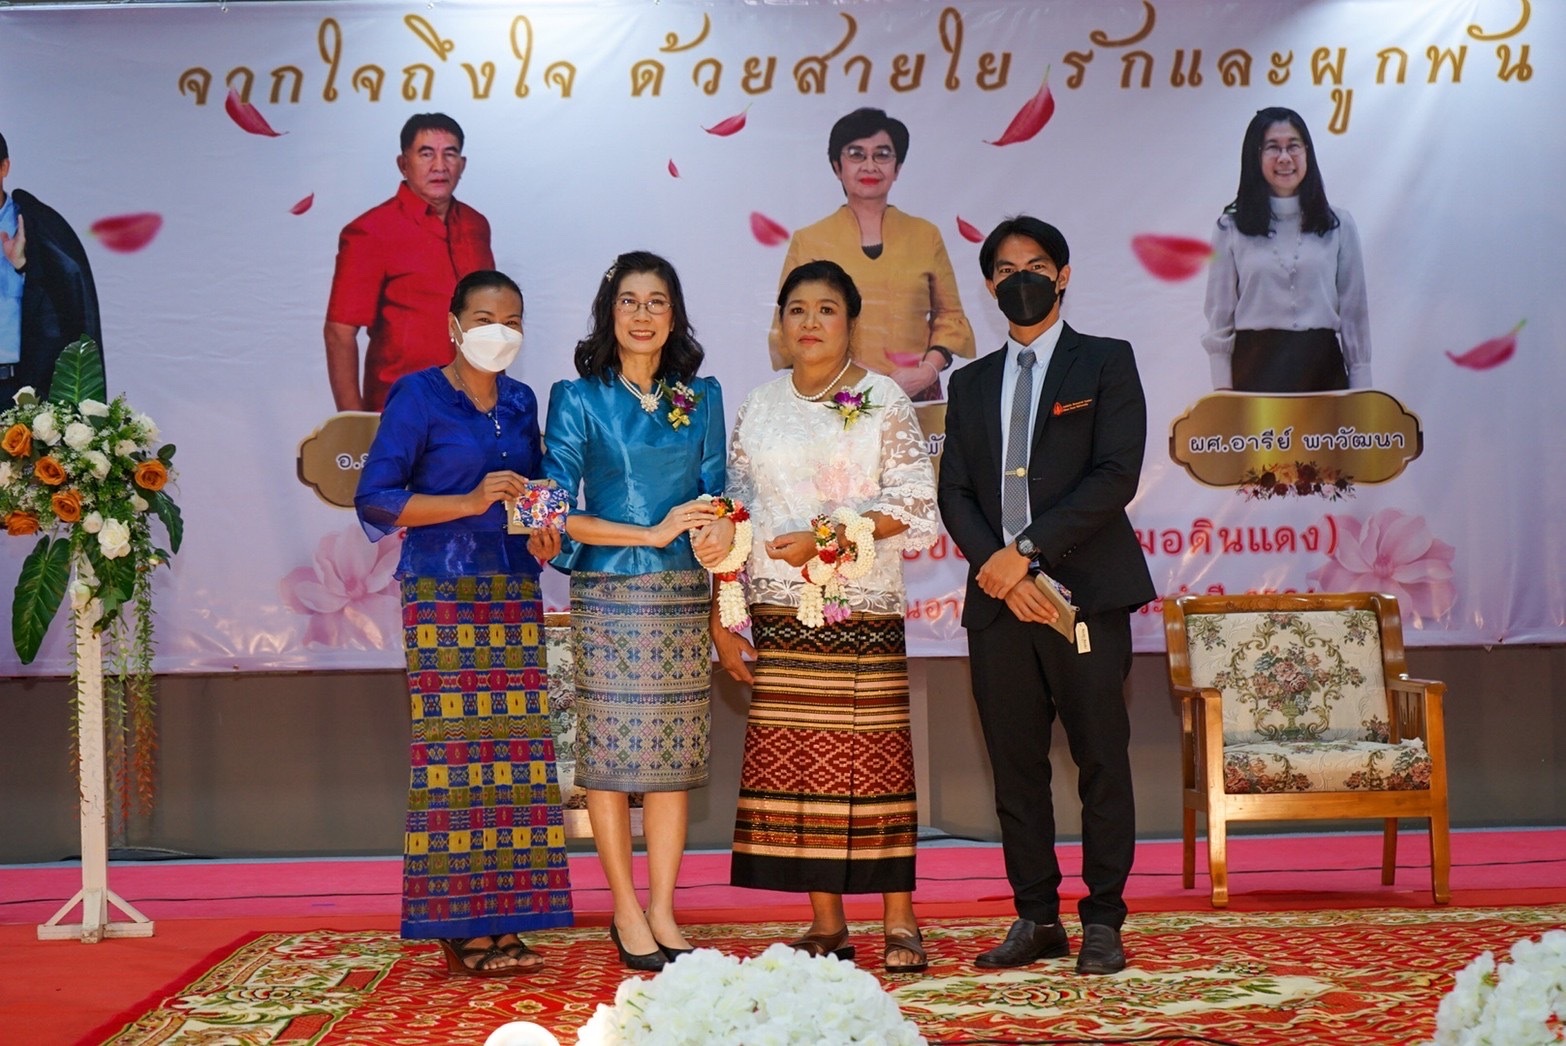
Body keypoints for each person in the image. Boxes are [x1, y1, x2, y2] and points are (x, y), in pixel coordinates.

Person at [937, 217, 1154, 975]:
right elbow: (955, 491)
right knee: (1016, 767)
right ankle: (1036, 917)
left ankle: (1104, 919)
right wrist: (999, 571)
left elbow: (1115, 475)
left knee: (1101, 760)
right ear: (989, 284)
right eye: (1005, 269)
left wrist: (1023, 555)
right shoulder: (969, 383)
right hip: (998, 605)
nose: (1020, 278)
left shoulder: (1105, 362)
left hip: (1085, 594)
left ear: (1062, 275)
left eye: (1035, 265)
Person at [717, 260, 938, 974]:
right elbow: (734, 514)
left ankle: (900, 919)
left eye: (826, 310)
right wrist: (724, 616)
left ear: (851, 322)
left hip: (858, 607)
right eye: (797, 310)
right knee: (801, 766)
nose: (810, 323)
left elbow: (916, 506)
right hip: (777, 609)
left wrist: (829, 536)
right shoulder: (759, 404)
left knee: (874, 764)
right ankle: (826, 922)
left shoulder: (883, 399)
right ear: (780, 323)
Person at [355, 269, 571, 977]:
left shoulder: (522, 399)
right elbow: (376, 499)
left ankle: (508, 919)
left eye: (512, 320)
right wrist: (469, 500)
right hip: (442, 591)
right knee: (455, 759)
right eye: (484, 318)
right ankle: (460, 924)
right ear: (453, 324)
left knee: (516, 758)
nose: (498, 332)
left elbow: (533, 493)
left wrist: (544, 531)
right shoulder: (418, 395)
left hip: (513, 585)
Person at [539, 251, 729, 973]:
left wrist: (722, 526)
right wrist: (650, 534)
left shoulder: (700, 395)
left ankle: (663, 910)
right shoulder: (578, 396)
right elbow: (555, 508)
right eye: (629, 301)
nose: (642, 315)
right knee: (612, 761)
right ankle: (624, 908)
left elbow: (719, 491)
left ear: (674, 315)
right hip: (610, 593)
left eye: (656, 301)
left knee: (671, 763)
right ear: (608, 312)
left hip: (682, 593)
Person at [767, 108, 974, 403]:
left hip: (915, 393)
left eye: (882, 155)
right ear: (837, 166)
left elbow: (950, 317)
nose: (870, 166)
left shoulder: (925, 235)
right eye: (856, 154)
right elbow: (786, 326)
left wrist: (927, 371)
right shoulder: (809, 240)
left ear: (897, 167)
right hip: (834, 394)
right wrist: (850, 374)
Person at [326, 113, 494, 412]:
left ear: (462, 164)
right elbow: (340, 332)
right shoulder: (371, 230)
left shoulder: (476, 225)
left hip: (477, 405)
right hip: (404, 409)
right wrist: (354, 425)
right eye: (426, 154)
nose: (439, 166)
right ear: (403, 164)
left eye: (450, 154)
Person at [1202, 106, 1371, 392]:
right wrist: (1223, 393)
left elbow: (1355, 314)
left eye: (1293, 146)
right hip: (1254, 370)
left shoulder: (1338, 224)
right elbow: (1219, 317)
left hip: (1323, 370)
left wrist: (1362, 390)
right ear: (1255, 157)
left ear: (1307, 152)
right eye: (1272, 147)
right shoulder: (1230, 228)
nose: (1284, 158)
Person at [0, 131, 105, 405]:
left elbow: (66, 305)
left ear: (4, 167)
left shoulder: (37, 225)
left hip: (18, 389)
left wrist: (24, 266)